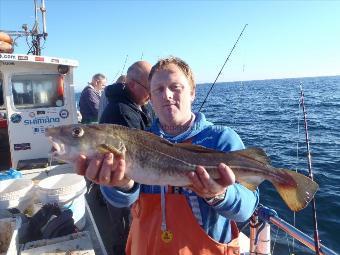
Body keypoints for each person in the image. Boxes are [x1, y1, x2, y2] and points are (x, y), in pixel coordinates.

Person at [76, 57, 259, 255]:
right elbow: (124, 202)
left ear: (192, 93)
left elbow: (246, 209)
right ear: (150, 98)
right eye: (158, 90)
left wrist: (219, 195)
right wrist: (120, 185)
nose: (167, 95)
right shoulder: (141, 140)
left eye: (175, 87)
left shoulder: (222, 139)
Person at [99, 61, 154, 255]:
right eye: (150, 89)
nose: (153, 94)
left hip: (133, 182)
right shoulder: (121, 111)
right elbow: (140, 151)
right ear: (132, 85)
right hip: (121, 185)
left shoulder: (137, 105)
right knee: (124, 231)